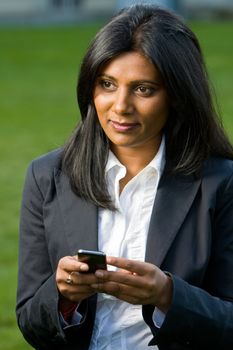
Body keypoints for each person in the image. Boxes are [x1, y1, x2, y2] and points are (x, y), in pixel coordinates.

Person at [16, 4, 233, 350]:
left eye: (143, 89)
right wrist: (62, 296)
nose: (120, 106)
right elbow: (30, 322)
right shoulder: (47, 176)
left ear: (177, 96)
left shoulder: (222, 183)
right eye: (107, 84)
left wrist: (168, 295)